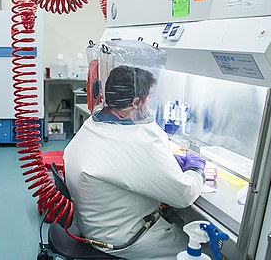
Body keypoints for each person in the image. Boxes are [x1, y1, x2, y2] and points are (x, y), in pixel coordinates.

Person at [63, 64, 206, 260]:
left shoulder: (94, 124)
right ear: (136, 102)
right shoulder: (135, 137)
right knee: (202, 249)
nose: (150, 104)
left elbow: (120, 162)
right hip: (125, 238)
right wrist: (195, 168)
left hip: (93, 226)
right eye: (149, 97)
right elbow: (183, 195)